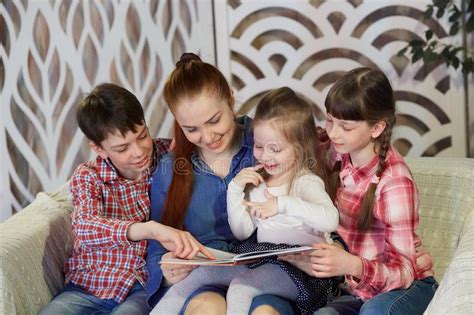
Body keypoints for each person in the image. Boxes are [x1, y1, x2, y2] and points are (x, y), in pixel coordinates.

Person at [152, 87, 340, 315]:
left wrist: (282, 203)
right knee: (202, 274)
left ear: (299, 150)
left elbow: (330, 221)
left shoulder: (305, 182)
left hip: (296, 269)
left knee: (240, 289)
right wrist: (235, 190)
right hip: (262, 259)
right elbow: (242, 232)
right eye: (259, 147)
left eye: (275, 149)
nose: (265, 156)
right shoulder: (260, 183)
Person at [146, 54, 301, 315]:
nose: (207, 137)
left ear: (230, 98)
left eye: (213, 120)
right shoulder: (170, 170)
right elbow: (156, 248)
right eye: (191, 129)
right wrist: (168, 269)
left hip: (268, 275)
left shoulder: (270, 145)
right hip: (204, 279)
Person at [39, 83, 212, 315]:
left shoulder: (168, 158)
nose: (139, 151)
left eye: (142, 136)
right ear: (99, 149)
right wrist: (149, 229)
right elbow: (84, 227)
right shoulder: (89, 176)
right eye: (122, 148)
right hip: (88, 286)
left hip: (142, 287)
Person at [279, 67, 437, 315]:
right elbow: (285, 140)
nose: (333, 132)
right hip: (356, 288)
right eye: (330, 120)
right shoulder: (332, 151)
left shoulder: (394, 182)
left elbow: (404, 272)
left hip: (406, 287)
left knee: (374, 312)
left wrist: (351, 264)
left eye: (346, 126)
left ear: (376, 129)